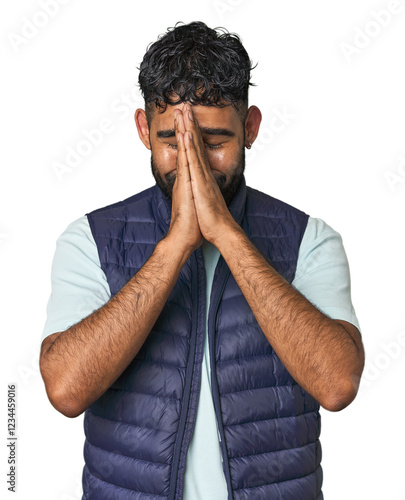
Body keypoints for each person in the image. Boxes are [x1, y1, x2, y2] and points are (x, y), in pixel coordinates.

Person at [40, 21, 365, 500]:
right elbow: (65, 390)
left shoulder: (309, 240)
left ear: (250, 127)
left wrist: (226, 234)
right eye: (172, 140)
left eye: (213, 142)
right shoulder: (89, 238)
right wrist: (174, 246)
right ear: (141, 130)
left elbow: (337, 384)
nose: (192, 159)